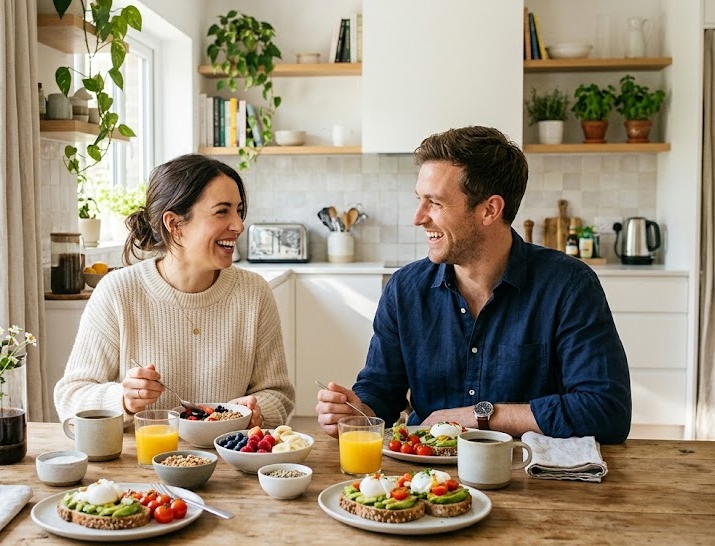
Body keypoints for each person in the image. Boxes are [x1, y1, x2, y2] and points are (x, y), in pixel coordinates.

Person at [316, 126, 631, 444]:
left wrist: (484, 416)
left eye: (435, 203)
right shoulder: (404, 289)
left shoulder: (569, 286)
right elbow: (380, 392)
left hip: (530, 475)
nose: (418, 217)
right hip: (425, 477)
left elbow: (607, 411)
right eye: (419, 200)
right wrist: (359, 412)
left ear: (489, 210)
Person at [55, 154, 295, 428]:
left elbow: (278, 393)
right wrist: (122, 399)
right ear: (175, 224)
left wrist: (257, 410)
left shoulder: (254, 293)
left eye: (239, 211)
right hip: (141, 464)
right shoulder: (118, 292)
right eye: (222, 211)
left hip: (230, 462)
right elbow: (70, 398)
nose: (239, 225)